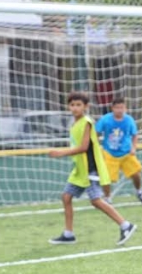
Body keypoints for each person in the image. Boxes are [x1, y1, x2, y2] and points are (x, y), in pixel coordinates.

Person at [48, 91, 137, 246]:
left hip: (90, 169)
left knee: (95, 200)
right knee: (66, 197)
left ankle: (125, 225)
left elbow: (84, 147)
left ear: (86, 107)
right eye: (72, 105)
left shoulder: (86, 122)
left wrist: (61, 152)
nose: (75, 108)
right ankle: (68, 234)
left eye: (78, 105)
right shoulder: (75, 124)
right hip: (79, 169)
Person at [95, 96, 142, 205]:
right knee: (106, 178)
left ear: (125, 108)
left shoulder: (129, 120)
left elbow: (134, 135)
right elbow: (96, 133)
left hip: (126, 153)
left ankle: (139, 191)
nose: (119, 110)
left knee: (136, 173)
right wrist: (96, 146)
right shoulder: (105, 119)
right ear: (112, 108)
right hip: (110, 153)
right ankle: (107, 197)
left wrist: (133, 148)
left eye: (121, 107)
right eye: (117, 108)